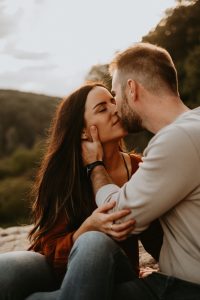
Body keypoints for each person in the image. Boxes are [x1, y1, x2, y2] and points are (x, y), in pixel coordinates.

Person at [57, 43, 200, 300]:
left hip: (182, 288)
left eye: (115, 96)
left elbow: (117, 216)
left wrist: (95, 166)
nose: (116, 107)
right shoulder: (192, 126)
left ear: (132, 89)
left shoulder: (176, 140)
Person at [0, 82, 163, 300]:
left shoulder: (139, 168)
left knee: (94, 242)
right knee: (6, 270)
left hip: (112, 270)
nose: (115, 109)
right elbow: (48, 246)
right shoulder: (64, 173)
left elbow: (158, 240)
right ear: (84, 131)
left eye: (113, 101)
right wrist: (84, 230)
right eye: (102, 108)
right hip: (59, 266)